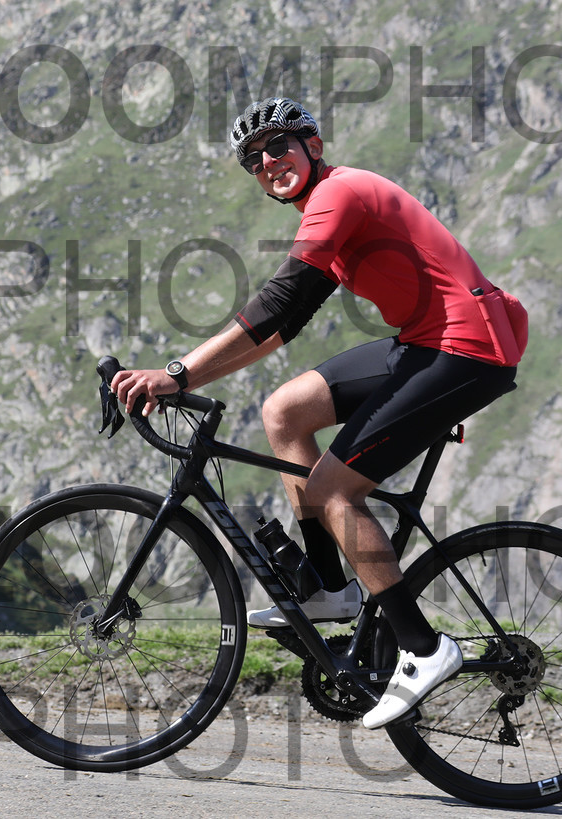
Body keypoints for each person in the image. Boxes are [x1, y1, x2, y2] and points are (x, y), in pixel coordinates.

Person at [110, 97, 527, 729]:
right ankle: (331, 589)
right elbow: (282, 329)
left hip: (466, 347)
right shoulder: (325, 209)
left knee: (334, 490)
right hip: (429, 343)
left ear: (314, 145)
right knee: (285, 411)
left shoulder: (339, 193)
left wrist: (176, 373)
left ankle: (422, 648)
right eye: (253, 159)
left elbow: (277, 304)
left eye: (278, 146)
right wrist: (183, 381)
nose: (267, 162)